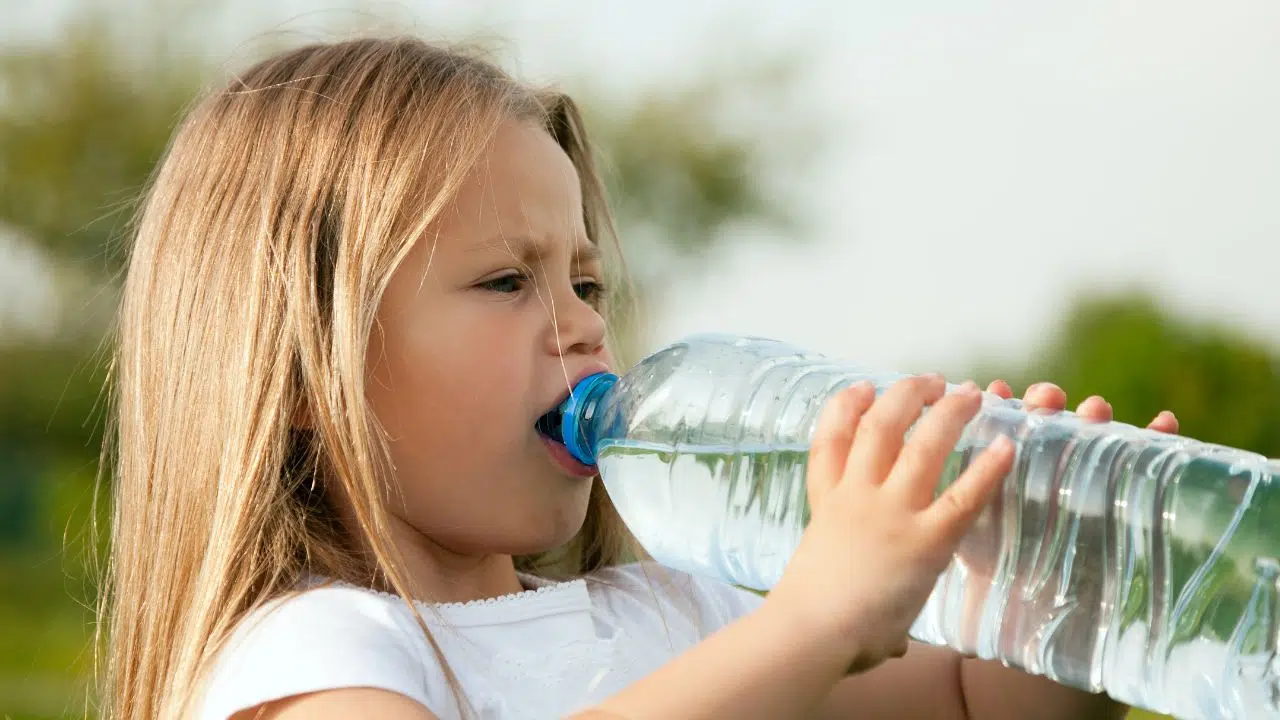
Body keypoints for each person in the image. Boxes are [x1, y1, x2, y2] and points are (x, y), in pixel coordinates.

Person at [97, 36, 1181, 719]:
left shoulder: (669, 615)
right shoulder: (315, 654)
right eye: (504, 282)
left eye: (584, 282)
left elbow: (960, 703)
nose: (575, 328)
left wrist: (1043, 591)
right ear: (302, 365)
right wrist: (810, 624)